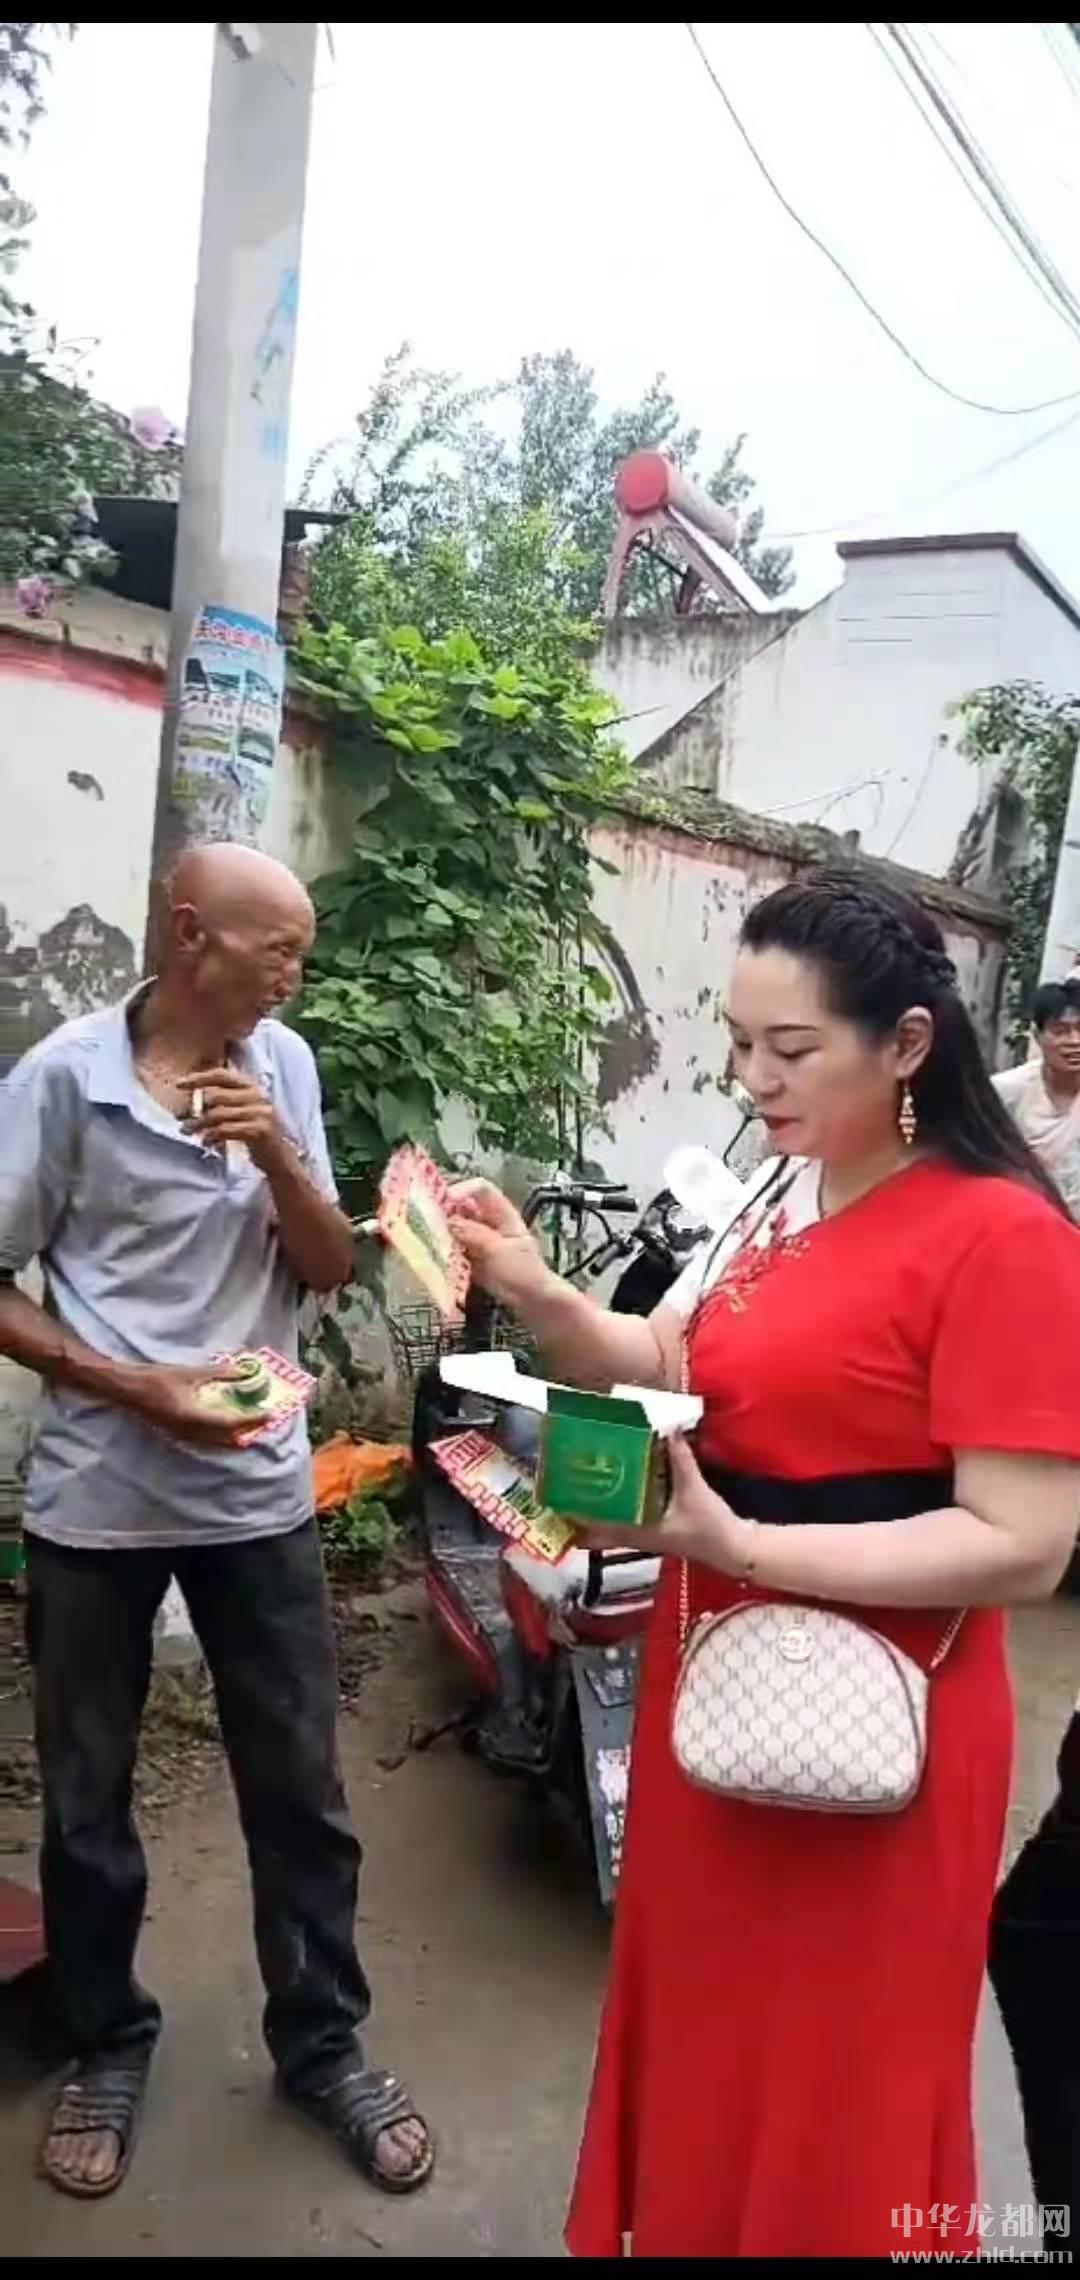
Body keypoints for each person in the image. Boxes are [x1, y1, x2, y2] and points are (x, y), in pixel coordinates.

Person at [448, 868, 1080, 2259]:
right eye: (740, 1043)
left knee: (838, 2065)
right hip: (710, 1669)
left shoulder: (1005, 1239)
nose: (753, 1079)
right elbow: (666, 1358)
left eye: (791, 1049)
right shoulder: (780, 1190)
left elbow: (1025, 1545)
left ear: (906, 1044)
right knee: (710, 2019)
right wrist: (538, 1290)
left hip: (880, 1711)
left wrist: (739, 1542)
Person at [0, 843, 433, 2201]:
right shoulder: (63, 1082)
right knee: (87, 1803)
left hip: (256, 1493)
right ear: (192, 935)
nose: (295, 975)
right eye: (277, 949)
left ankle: (323, 2046)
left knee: (300, 1792)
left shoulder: (282, 1064)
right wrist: (139, 1386)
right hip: (98, 1499)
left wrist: (278, 1150)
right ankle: (108, 2042)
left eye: (302, 951)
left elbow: (327, 1266)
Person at [993, 977, 1080, 1217]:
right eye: (1061, 1031)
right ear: (1037, 1035)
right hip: (1023, 1219)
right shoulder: (1006, 1093)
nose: (1074, 1042)